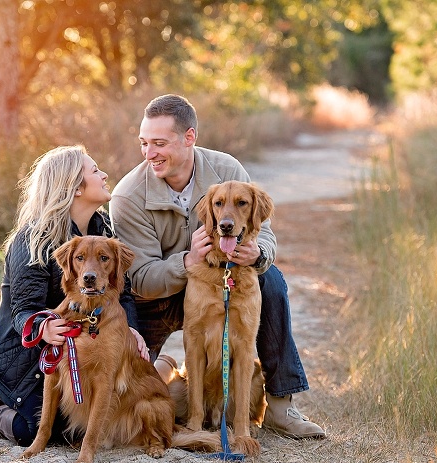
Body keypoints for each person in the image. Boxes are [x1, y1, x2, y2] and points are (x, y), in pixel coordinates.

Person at [109, 94, 326, 439]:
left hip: (225, 283)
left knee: (270, 280)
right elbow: (139, 280)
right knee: (139, 393)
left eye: (160, 143)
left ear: (189, 137)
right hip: (159, 299)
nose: (150, 153)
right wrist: (188, 261)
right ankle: (161, 371)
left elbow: (265, 234)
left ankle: (280, 407)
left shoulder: (226, 170)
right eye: (144, 144)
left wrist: (257, 255)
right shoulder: (128, 197)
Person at [0, 145, 150, 446]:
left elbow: (124, 294)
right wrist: (44, 327)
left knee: (92, 419)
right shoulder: (33, 239)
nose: (104, 174)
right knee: (35, 430)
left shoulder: (102, 229)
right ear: (74, 187)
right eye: (95, 171)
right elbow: (22, 310)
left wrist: (130, 329)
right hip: (29, 358)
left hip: (83, 349)